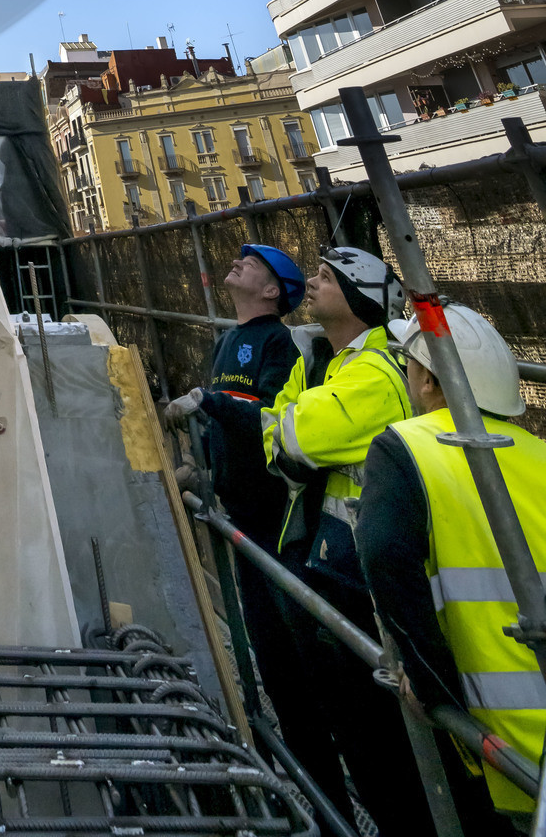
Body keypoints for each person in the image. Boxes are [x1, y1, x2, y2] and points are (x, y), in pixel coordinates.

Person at [263, 244, 436, 836]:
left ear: (360, 296)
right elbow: (278, 435)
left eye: (326, 278)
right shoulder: (329, 363)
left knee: (382, 754)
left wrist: (289, 428)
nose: (313, 284)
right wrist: (290, 424)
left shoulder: (376, 368)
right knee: (361, 741)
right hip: (333, 568)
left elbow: (293, 436)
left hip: (363, 584)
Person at [163, 244, 341, 806]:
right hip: (239, 516)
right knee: (267, 654)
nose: (237, 261)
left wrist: (209, 404)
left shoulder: (277, 343)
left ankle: (328, 794)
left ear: (273, 292)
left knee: (295, 663)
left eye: (253, 262)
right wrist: (201, 465)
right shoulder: (225, 341)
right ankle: (304, 783)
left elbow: (265, 416)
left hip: (274, 521)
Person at [360, 304, 546, 832]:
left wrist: (429, 682)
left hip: (501, 747)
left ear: (425, 380)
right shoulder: (542, 457)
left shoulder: (407, 448)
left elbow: (384, 558)